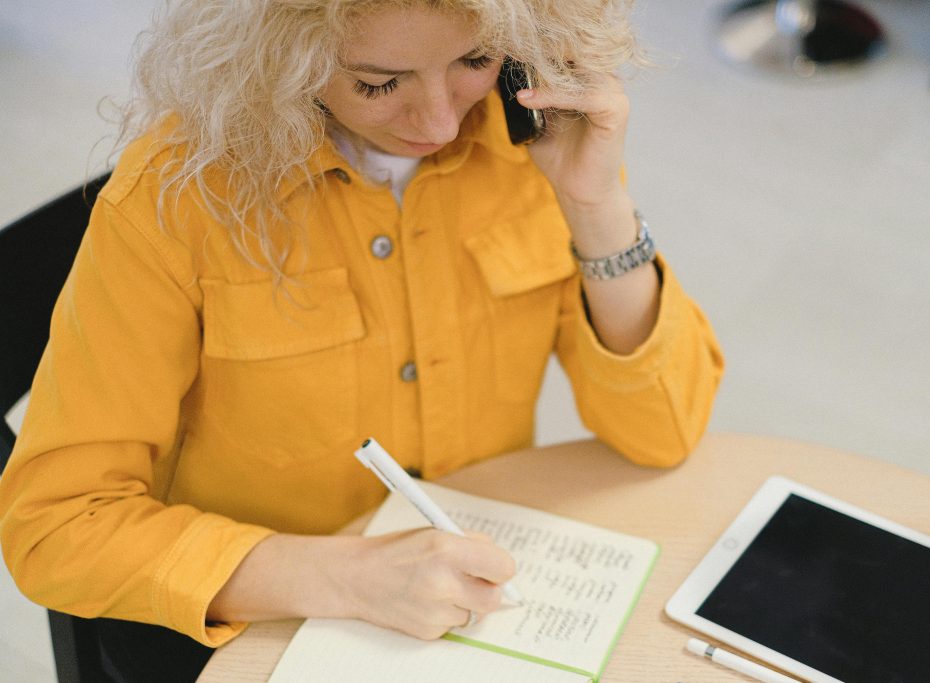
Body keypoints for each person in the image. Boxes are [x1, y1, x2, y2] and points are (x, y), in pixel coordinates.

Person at [0, 0, 723, 680]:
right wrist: (351, 575)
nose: (439, 120)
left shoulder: (531, 132)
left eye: (472, 61)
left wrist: (594, 203)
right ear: (280, 53)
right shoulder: (177, 199)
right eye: (379, 84)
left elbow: (663, 428)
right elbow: (57, 526)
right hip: (252, 626)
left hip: (472, 603)